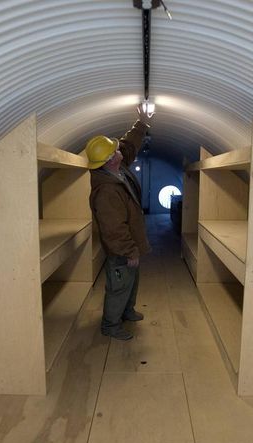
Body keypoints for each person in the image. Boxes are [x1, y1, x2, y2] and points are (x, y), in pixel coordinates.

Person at [85, 107, 152, 340]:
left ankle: (127, 311)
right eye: (114, 150)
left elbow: (128, 145)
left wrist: (141, 123)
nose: (119, 150)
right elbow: (113, 228)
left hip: (131, 243)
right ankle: (110, 325)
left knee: (131, 280)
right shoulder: (106, 192)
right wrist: (129, 250)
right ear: (110, 160)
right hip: (121, 248)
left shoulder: (115, 168)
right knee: (119, 285)